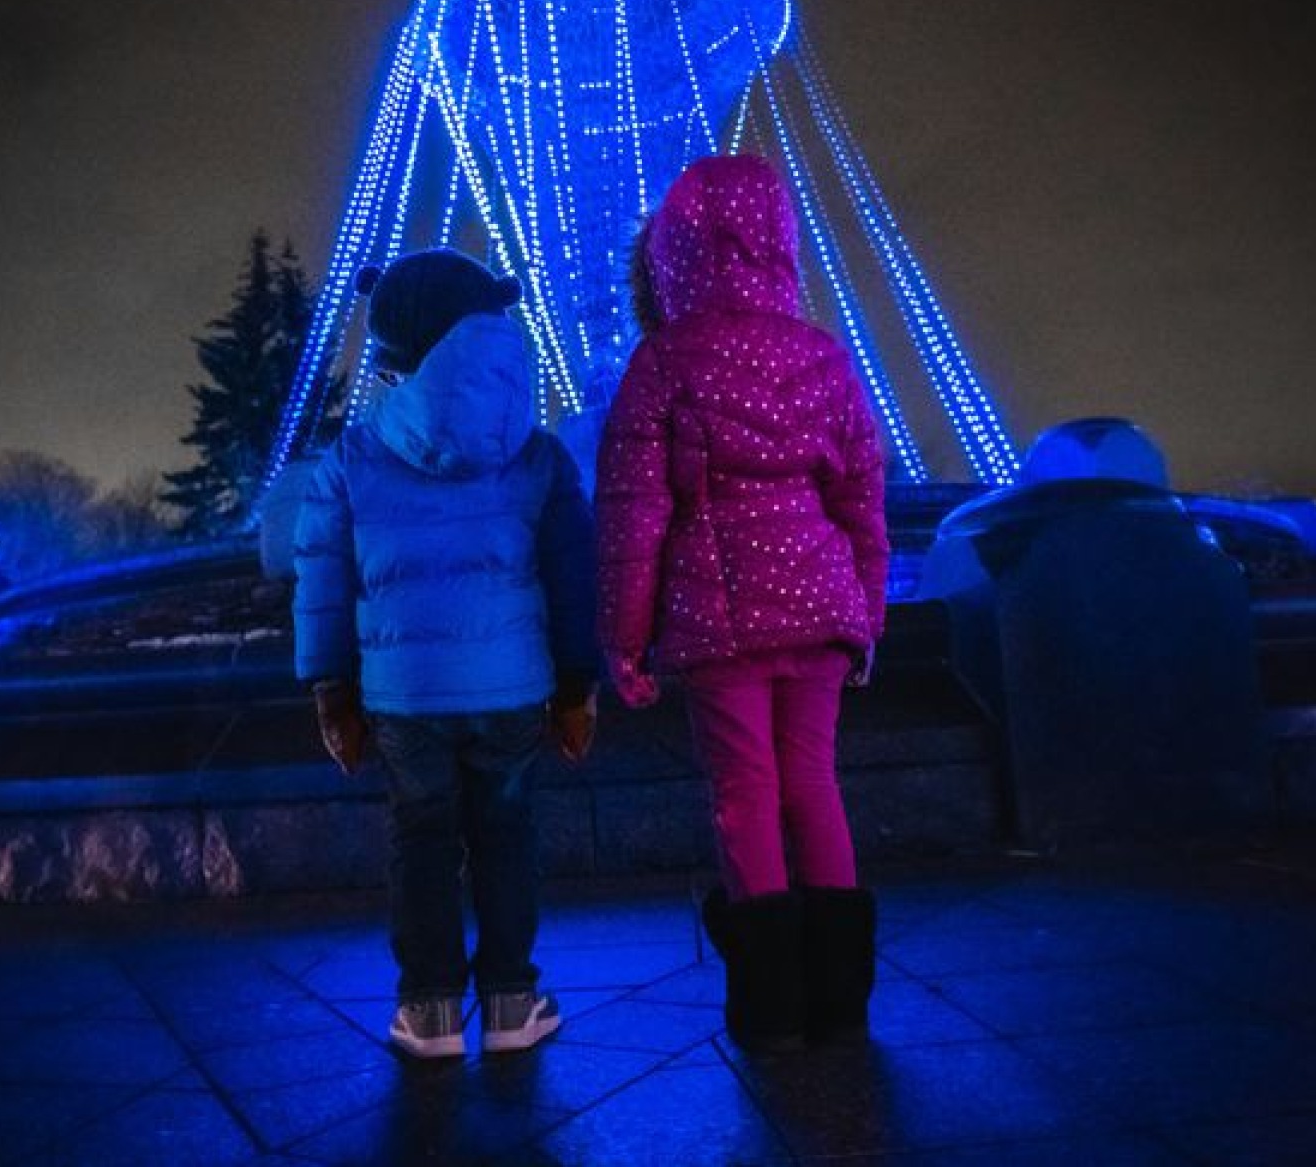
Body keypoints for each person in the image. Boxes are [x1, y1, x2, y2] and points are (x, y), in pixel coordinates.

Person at [596, 154, 890, 1052]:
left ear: (670, 255)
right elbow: (863, 503)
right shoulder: (826, 356)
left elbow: (635, 517)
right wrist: (868, 618)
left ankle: (770, 1004)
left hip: (721, 621)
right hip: (820, 609)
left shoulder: (662, 363)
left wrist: (625, 640)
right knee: (814, 783)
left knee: (745, 793)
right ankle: (840, 999)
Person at [293, 247, 599, 1061]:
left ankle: (427, 1011)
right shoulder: (538, 455)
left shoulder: (351, 458)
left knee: (421, 840)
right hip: (513, 689)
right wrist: (577, 684)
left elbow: (323, 581)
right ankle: (510, 1002)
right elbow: (573, 576)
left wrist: (332, 693)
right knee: (506, 835)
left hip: (403, 695)